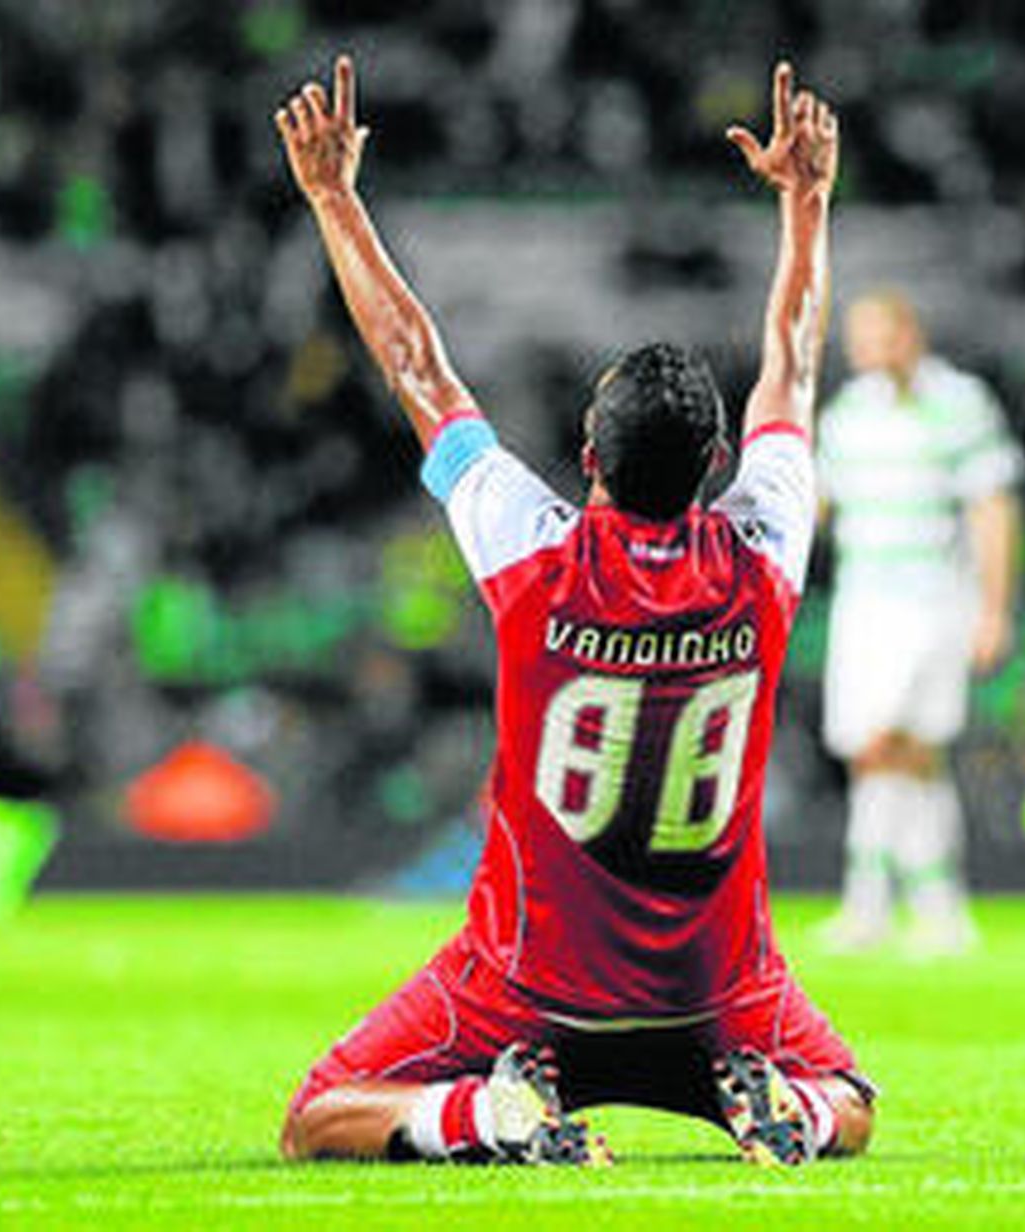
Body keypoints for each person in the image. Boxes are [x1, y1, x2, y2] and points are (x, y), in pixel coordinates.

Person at [273, 57, 874, 1166]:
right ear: (717, 465)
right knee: (850, 1097)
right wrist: (807, 202)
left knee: (320, 1114)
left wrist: (335, 199)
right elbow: (789, 363)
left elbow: (417, 364)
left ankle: (480, 1114)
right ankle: (785, 1109)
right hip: (716, 992)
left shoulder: (532, 551)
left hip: (525, 988)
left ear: (586, 457)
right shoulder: (763, 551)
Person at [814, 291, 1025, 956]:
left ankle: (869, 901)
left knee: (893, 744)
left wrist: (994, 608)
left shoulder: (960, 402)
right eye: (859, 335)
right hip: (863, 600)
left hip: (933, 596)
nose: (867, 347)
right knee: (893, 754)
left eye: (879, 333)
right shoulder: (848, 415)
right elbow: (819, 505)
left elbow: (992, 507)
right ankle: (937, 906)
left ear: (910, 333)